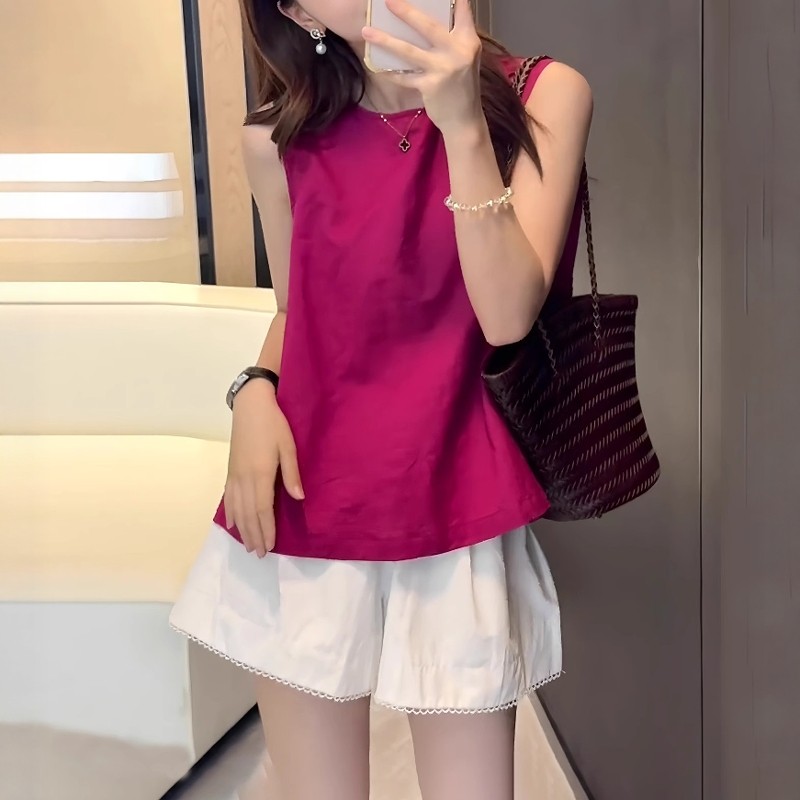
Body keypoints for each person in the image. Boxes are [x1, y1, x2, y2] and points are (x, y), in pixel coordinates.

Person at [170, 0, 593, 797]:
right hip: (309, 493)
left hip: (453, 488)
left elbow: (506, 315)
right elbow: (297, 312)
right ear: (295, 9)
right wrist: (254, 393)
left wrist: (461, 125)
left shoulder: (544, 96)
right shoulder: (276, 140)